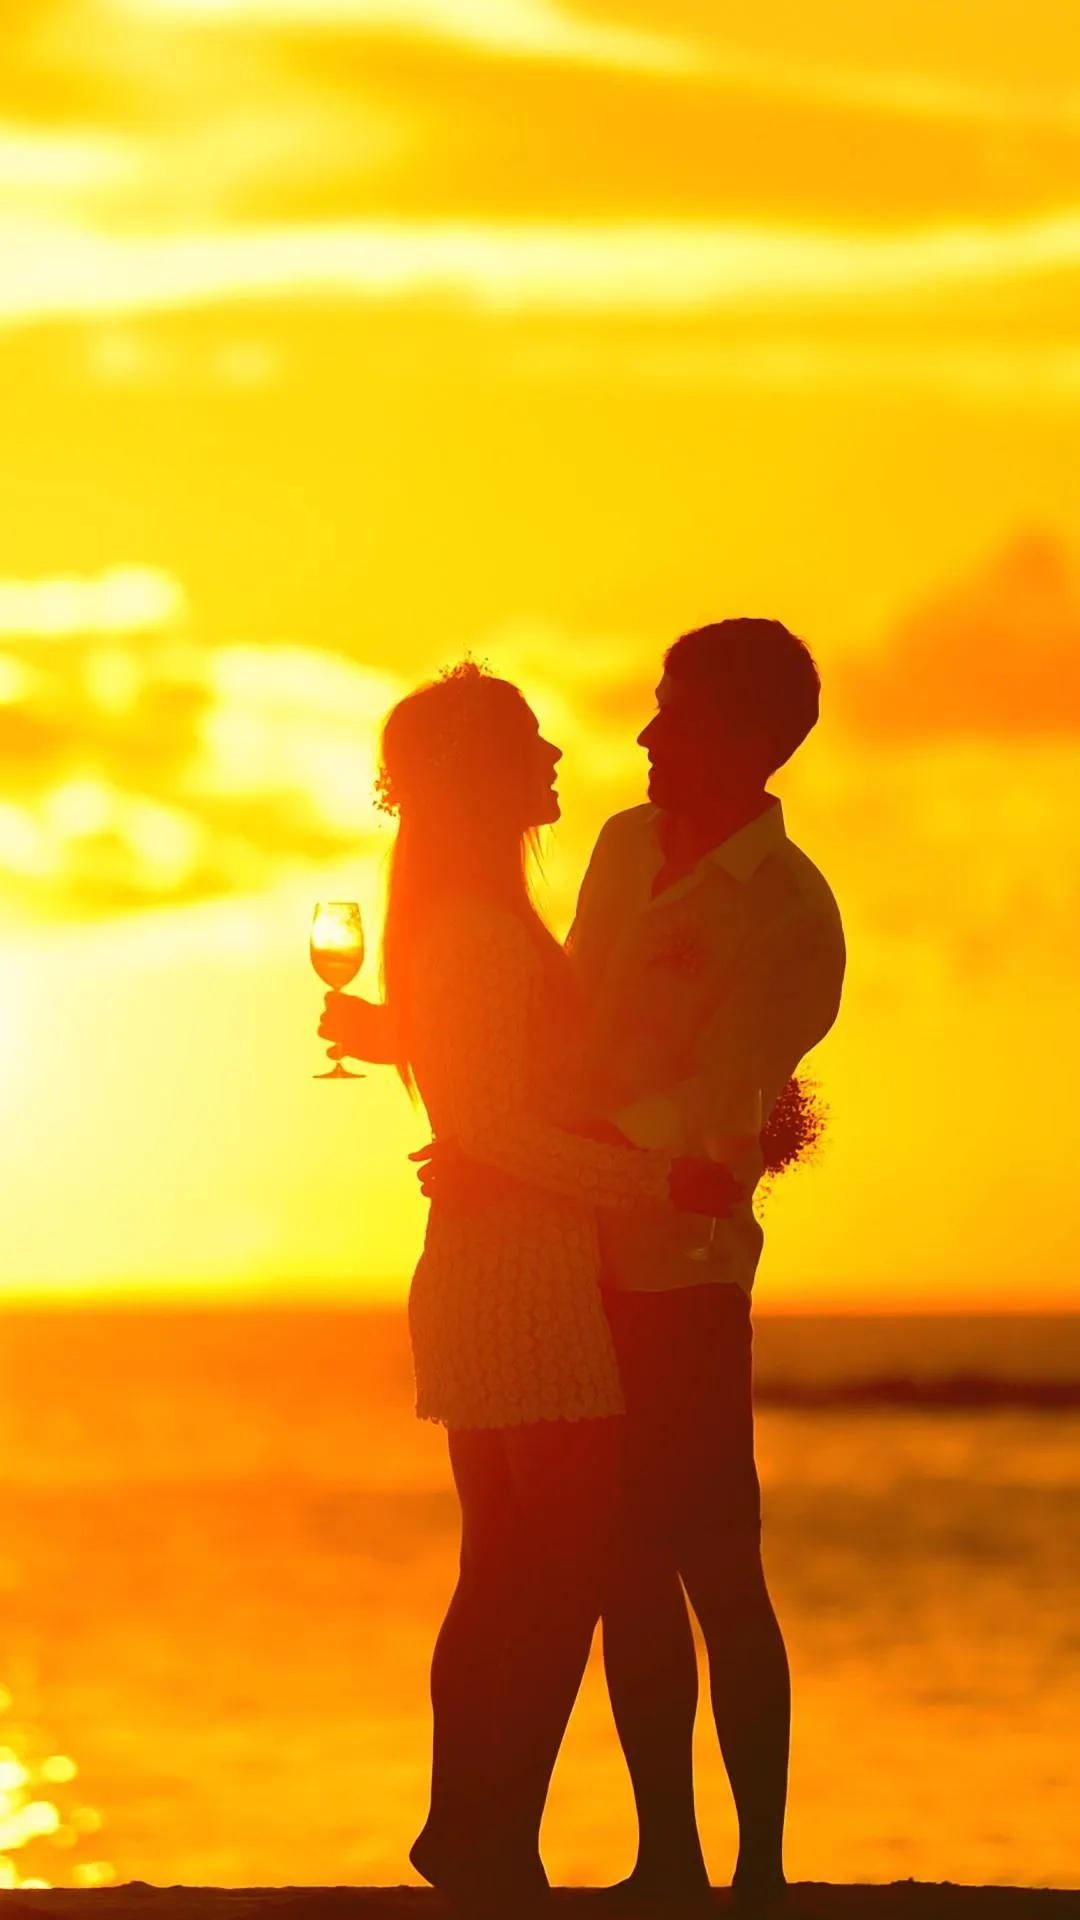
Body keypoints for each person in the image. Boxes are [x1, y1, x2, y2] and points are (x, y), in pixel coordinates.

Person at [334, 662, 743, 1911]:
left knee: (508, 1569)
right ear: (476, 776)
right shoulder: (469, 924)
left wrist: (394, 1039)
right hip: (519, 1276)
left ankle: (476, 1832)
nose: (557, 754)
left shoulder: (465, 918)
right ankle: (488, 1835)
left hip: (496, 1267)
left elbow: (478, 1087)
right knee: (551, 1574)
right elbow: (501, 1129)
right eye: (526, 742)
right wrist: (667, 1183)